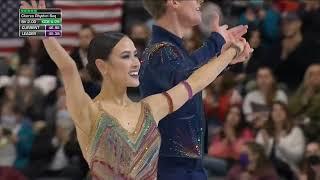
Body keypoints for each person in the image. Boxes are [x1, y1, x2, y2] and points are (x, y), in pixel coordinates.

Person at [21, 1, 250, 179]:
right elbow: (69, 68)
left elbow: (196, 82)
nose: (136, 62)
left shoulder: (151, 108)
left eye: (135, 55)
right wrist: (46, 34)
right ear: (103, 66)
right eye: (125, 56)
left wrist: (229, 51)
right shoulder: (89, 112)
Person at [140, 0, 252, 178]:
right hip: (173, 166)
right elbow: (188, 81)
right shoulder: (159, 51)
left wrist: (225, 59)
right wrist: (216, 44)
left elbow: (190, 73)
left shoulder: (172, 50)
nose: (200, 1)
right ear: (174, 2)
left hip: (186, 163)